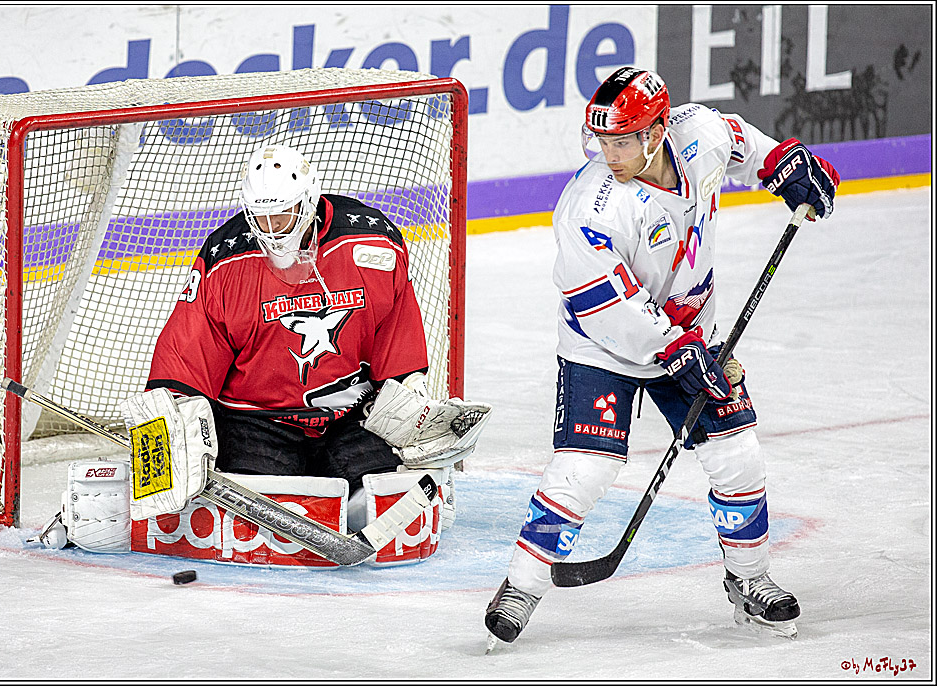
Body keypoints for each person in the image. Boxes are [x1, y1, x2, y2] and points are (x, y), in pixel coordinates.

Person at [484, 67, 839, 644]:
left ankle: (750, 579)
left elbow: (745, 144)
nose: (610, 152)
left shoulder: (697, 133)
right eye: (602, 140)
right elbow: (607, 308)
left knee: (737, 454)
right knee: (584, 470)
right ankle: (523, 584)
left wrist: (788, 165)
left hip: (692, 338)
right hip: (603, 347)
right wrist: (676, 349)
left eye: (622, 140)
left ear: (656, 132)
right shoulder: (588, 208)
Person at [144, 143, 482, 533]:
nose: (271, 230)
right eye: (261, 217)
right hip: (256, 421)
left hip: (351, 416)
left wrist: (412, 396)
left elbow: (395, 327)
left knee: (388, 502)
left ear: (308, 202)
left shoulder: (373, 244)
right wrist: (170, 422)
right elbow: (188, 349)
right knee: (255, 521)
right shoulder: (225, 259)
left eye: (282, 215)